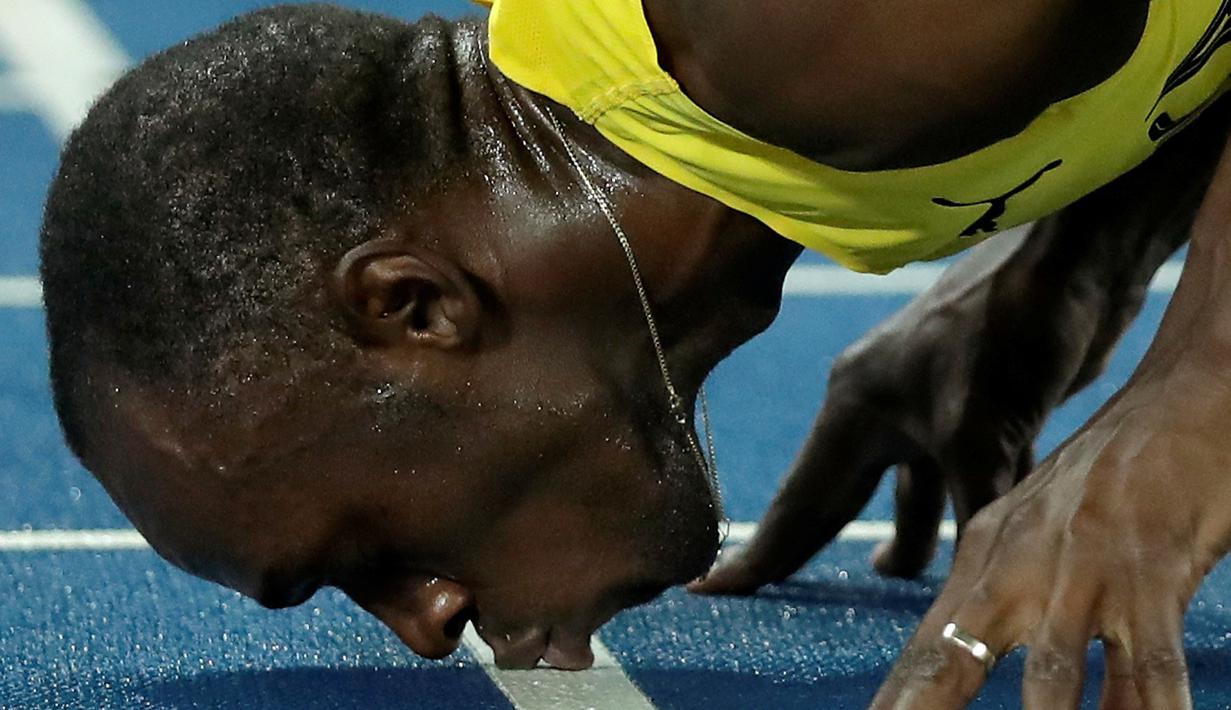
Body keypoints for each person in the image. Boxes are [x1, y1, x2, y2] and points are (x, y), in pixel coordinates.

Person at [36, 0, 1231, 706]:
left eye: (368, 551)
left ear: (415, 306)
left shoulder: (802, 37)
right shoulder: (766, 111)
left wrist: (1200, 379)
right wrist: (1078, 254)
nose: (427, 622)